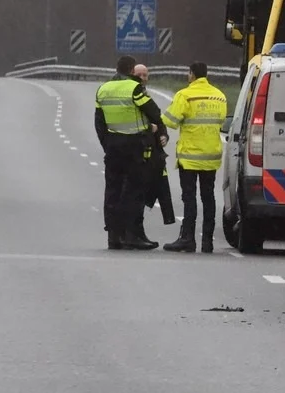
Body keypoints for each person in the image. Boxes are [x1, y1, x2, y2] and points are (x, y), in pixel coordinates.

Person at [95, 56, 164, 250]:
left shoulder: (103, 89)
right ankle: (131, 235)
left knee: (113, 191)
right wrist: (151, 130)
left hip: (113, 147)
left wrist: (107, 144)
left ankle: (113, 236)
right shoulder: (135, 88)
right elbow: (154, 112)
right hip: (134, 146)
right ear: (132, 70)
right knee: (133, 192)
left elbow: (99, 122)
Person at [161, 62, 229, 254]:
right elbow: (221, 121)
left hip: (189, 157)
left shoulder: (185, 95)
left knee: (189, 198)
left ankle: (188, 239)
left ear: (191, 74)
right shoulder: (220, 96)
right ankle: (207, 242)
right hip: (211, 156)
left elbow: (170, 121)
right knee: (208, 198)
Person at [133, 64, 175, 240]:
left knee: (152, 188)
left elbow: (159, 120)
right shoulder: (133, 95)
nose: (143, 78)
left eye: (145, 75)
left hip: (153, 155)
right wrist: (148, 128)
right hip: (137, 153)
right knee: (138, 194)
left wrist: (163, 135)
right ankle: (134, 232)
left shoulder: (146, 95)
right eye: (139, 75)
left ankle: (138, 232)